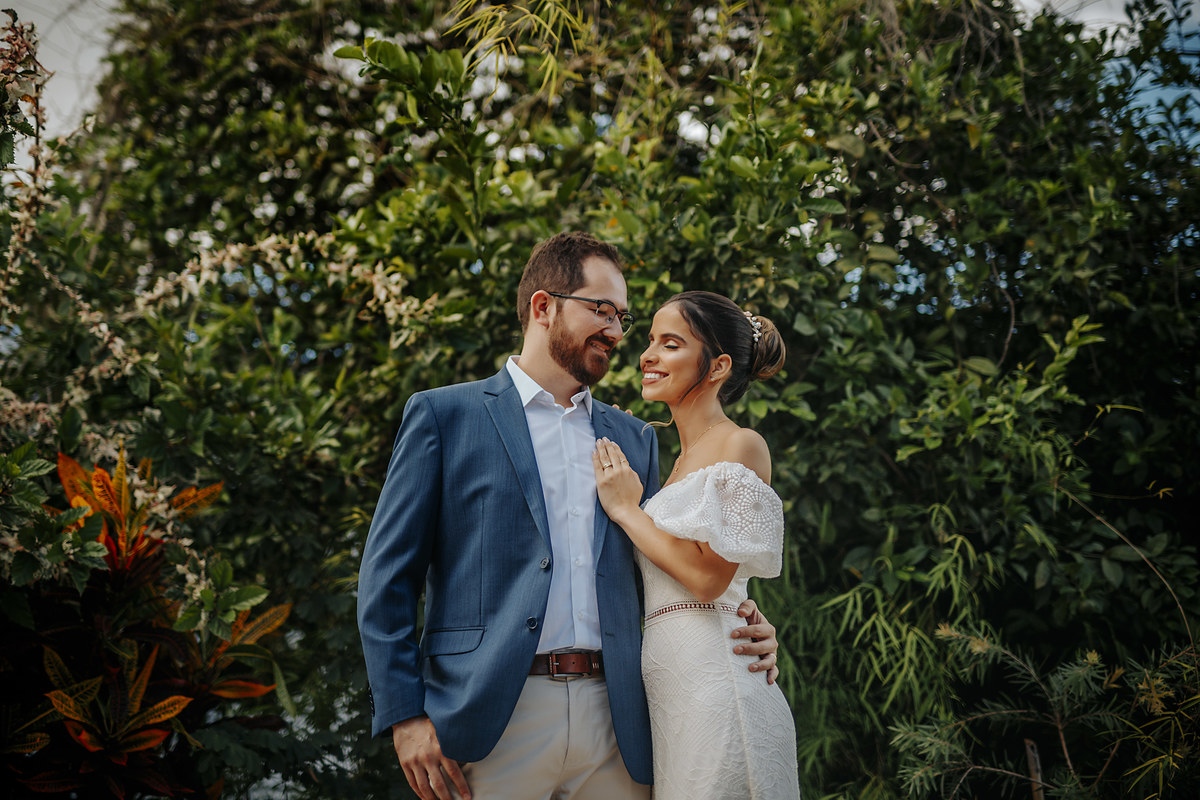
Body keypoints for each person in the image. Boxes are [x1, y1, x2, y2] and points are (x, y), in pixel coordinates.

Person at [357, 233, 781, 800]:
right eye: (601, 309)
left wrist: (744, 619)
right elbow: (387, 578)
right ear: (543, 307)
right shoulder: (444, 416)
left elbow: (661, 565)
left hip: (621, 724)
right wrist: (404, 716)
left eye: (621, 317)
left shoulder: (633, 437)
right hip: (494, 719)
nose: (615, 330)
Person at [592, 290, 800, 799]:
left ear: (717, 366)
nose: (647, 355)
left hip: (719, 678)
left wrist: (625, 510)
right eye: (649, 342)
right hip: (672, 684)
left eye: (670, 343)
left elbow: (709, 579)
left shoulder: (740, 443)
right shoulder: (672, 464)